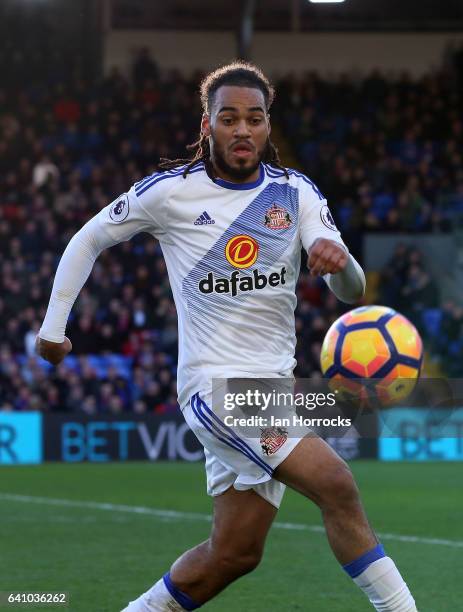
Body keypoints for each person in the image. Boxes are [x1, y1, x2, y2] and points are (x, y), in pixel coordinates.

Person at [36, 62, 417, 612]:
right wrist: (53, 329)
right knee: (336, 484)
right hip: (214, 387)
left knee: (235, 554)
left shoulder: (295, 194)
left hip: (273, 390)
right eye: (230, 117)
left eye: (255, 119)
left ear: (267, 126)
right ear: (208, 123)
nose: (243, 129)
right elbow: (87, 240)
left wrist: (341, 263)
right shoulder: (170, 193)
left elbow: (348, 289)